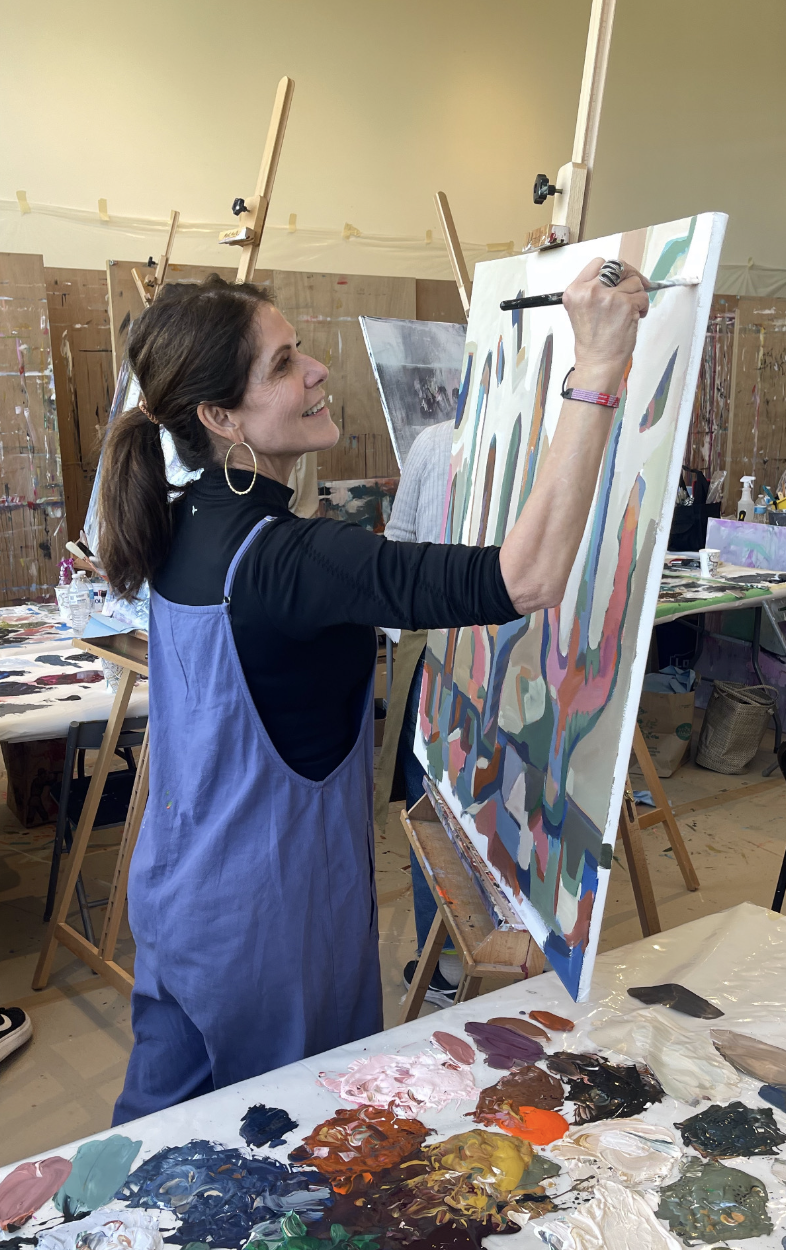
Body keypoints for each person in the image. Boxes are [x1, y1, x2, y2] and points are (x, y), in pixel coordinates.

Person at [99, 261, 649, 1123]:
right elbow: (531, 576)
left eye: (300, 349)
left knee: (156, 1136)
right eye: (284, 364)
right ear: (219, 418)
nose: (318, 370)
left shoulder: (181, 523)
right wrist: (600, 367)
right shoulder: (295, 561)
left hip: (178, 897)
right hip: (270, 928)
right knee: (288, 1146)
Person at [376, 419, 460, 1005]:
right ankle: (450, 955)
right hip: (444, 652)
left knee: (438, 806)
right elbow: (398, 547)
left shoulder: (435, 441)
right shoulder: (435, 442)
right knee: (437, 803)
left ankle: (448, 959)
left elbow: (397, 553)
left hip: (457, 651)